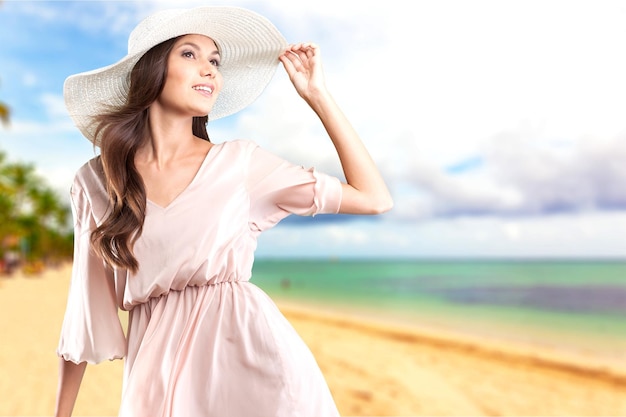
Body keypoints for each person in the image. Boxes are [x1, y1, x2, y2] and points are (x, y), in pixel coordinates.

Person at [54, 6, 392, 417]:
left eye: (215, 61)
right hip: (154, 379)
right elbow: (82, 312)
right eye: (190, 54)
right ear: (151, 69)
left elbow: (374, 198)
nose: (210, 69)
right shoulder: (96, 180)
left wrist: (317, 96)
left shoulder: (241, 165)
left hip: (255, 367)